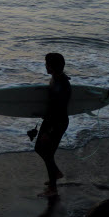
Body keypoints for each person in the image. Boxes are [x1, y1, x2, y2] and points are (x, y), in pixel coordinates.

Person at [33, 53, 71, 197]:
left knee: (47, 153)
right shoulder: (57, 78)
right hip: (50, 120)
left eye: (47, 64)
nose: (45, 66)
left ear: (53, 66)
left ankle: (53, 189)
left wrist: (49, 132)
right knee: (39, 149)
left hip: (57, 123)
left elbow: (60, 110)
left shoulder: (61, 84)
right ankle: (56, 173)